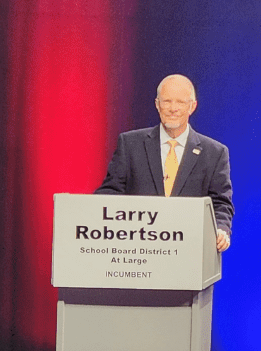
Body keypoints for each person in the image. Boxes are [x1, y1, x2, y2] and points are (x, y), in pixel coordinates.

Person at [95, 74, 234, 251]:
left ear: (192, 106)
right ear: (157, 104)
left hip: (190, 251)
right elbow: (109, 193)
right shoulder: (130, 144)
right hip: (138, 252)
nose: (172, 108)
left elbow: (221, 203)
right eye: (167, 101)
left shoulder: (214, 153)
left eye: (180, 102)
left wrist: (221, 229)